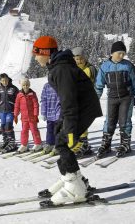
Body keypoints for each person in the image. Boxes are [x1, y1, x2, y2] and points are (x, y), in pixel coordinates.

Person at [33, 36, 102, 206]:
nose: (35, 58)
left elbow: (69, 101)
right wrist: (61, 124)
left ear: (46, 53)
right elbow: (67, 101)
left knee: (64, 143)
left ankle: (75, 189)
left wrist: (70, 130)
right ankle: (73, 179)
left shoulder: (60, 69)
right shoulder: (58, 67)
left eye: (36, 53)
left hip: (83, 109)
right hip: (79, 108)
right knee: (59, 138)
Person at [95, 40, 135, 158]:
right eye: (119, 53)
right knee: (109, 121)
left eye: (123, 53)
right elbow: (99, 85)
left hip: (127, 97)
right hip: (112, 98)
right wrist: (95, 99)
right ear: (112, 53)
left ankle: (125, 144)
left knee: (124, 121)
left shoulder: (128, 65)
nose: (122, 56)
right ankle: (106, 144)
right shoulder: (104, 66)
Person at [71, 46, 97, 157]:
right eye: (76, 59)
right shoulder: (75, 69)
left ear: (84, 57)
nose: (79, 61)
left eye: (81, 58)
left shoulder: (89, 69)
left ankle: (84, 144)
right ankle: (81, 144)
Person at [14, 78, 42, 153]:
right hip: (24, 117)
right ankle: (24, 145)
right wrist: (16, 115)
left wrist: (36, 115)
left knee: (34, 130)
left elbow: (36, 105)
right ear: (21, 85)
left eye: (27, 85)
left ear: (29, 85)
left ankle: (38, 143)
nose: (25, 86)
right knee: (24, 131)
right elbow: (17, 105)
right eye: (24, 85)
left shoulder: (32, 94)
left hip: (32, 117)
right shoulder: (19, 95)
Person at [0, 73, 19, 152]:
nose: (4, 82)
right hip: (2, 111)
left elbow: (18, 99)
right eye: (2, 80)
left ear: (8, 79)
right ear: (1, 81)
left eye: (6, 80)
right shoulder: (0, 88)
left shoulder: (13, 88)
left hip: (10, 111)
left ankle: (12, 142)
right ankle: (6, 141)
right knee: (3, 127)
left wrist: (17, 109)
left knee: (8, 126)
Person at [40, 82, 61, 155]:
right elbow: (43, 100)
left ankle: (58, 145)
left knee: (57, 130)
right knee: (49, 130)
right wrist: (43, 112)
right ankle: (49, 144)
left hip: (58, 113)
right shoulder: (46, 86)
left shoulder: (60, 84)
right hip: (49, 113)